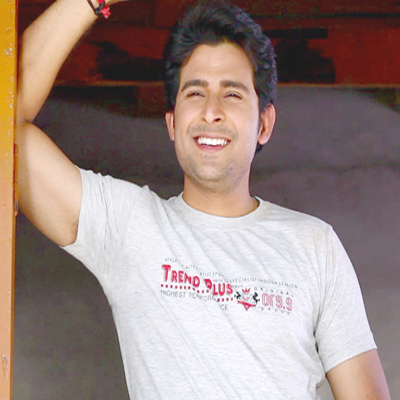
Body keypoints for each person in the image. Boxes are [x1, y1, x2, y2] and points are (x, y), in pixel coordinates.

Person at [17, 0, 391, 398]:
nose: (211, 112)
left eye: (232, 94)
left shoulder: (316, 246)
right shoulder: (127, 227)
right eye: (195, 92)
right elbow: (7, 123)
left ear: (264, 124)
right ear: (172, 122)